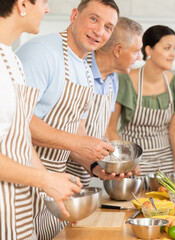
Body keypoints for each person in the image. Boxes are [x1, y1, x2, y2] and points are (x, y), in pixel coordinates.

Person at [16, 0, 120, 238]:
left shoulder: (84, 65)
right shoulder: (42, 53)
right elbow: (19, 121)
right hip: (23, 180)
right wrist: (77, 143)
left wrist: (95, 166)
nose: (99, 31)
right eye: (94, 19)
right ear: (75, 15)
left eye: (108, 27)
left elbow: (76, 127)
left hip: (55, 183)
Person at [0, 0, 82, 239]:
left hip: (17, 206)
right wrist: (45, 179)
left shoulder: (12, 60)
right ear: (23, 3)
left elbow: (21, 139)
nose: (47, 9)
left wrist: (53, 188)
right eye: (44, 2)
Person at [66, 16, 143, 185]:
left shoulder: (113, 80)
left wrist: (118, 164)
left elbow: (106, 129)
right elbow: (65, 130)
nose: (139, 58)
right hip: (58, 172)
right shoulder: (75, 71)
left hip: (85, 174)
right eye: (136, 51)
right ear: (118, 50)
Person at [107, 25, 175, 178]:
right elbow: (110, 128)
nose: (173, 54)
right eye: (167, 48)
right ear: (148, 50)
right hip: (133, 163)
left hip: (165, 164)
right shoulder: (124, 80)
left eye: (174, 49)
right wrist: (126, 160)